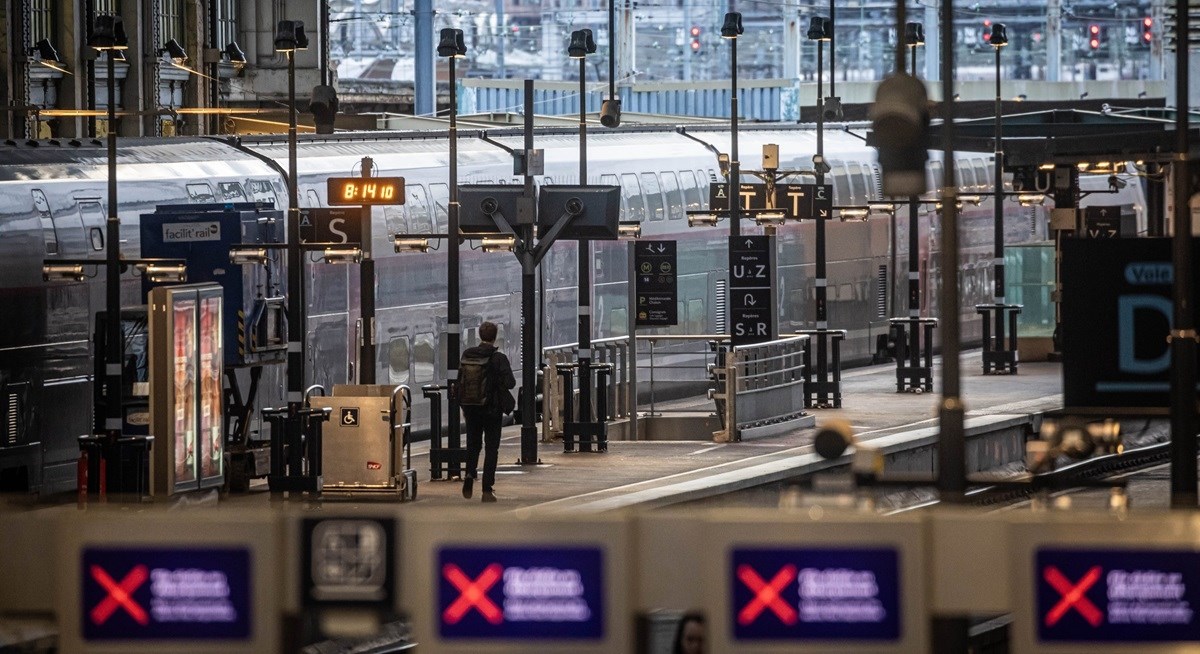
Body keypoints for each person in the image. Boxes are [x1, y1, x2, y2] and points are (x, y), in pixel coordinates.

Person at [457, 321, 516, 503]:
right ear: (495, 336)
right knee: (491, 449)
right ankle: (487, 490)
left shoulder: (467, 355)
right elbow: (511, 383)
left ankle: (469, 474)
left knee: (473, 446)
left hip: (471, 408)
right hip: (491, 411)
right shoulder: (498, 358)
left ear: (480, 336)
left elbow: (461, 381)